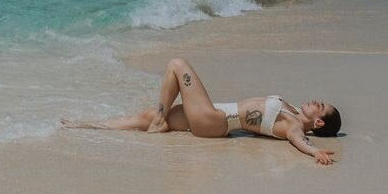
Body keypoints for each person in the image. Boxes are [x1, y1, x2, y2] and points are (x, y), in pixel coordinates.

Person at [61, 57, 341, 165]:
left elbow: (299, 141)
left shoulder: (294, 126)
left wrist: (315, 152)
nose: (317, 100)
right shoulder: (290, 108)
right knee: (147, 116)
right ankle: (86, 125)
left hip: (217, 122)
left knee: (176, 65)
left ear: (317, 122)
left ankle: (158, 122)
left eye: (322, 106)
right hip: (216, 113)